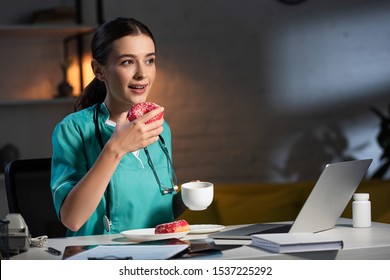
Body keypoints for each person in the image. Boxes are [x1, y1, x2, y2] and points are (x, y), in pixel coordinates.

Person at [50, 17, 186, 236]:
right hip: (97, 257)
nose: (142, 73)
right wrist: (116, 148)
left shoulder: (160, 129)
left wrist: (188, 198)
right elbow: (72, 219)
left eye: (149, 60)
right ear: (99, 70)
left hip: (159, 255)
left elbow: (159, 210)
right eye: (127, 62)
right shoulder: (73, 129)